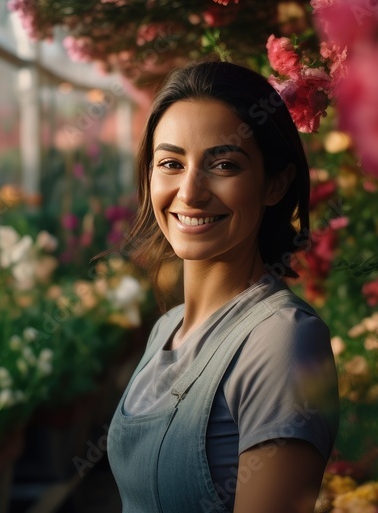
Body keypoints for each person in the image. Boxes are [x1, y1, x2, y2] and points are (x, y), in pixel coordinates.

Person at [106, 61, 339, 513]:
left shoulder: (281, 339)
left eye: (224, 164)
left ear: (275, 183)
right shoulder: (166, 330)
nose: (190, 192)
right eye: (171, 163)